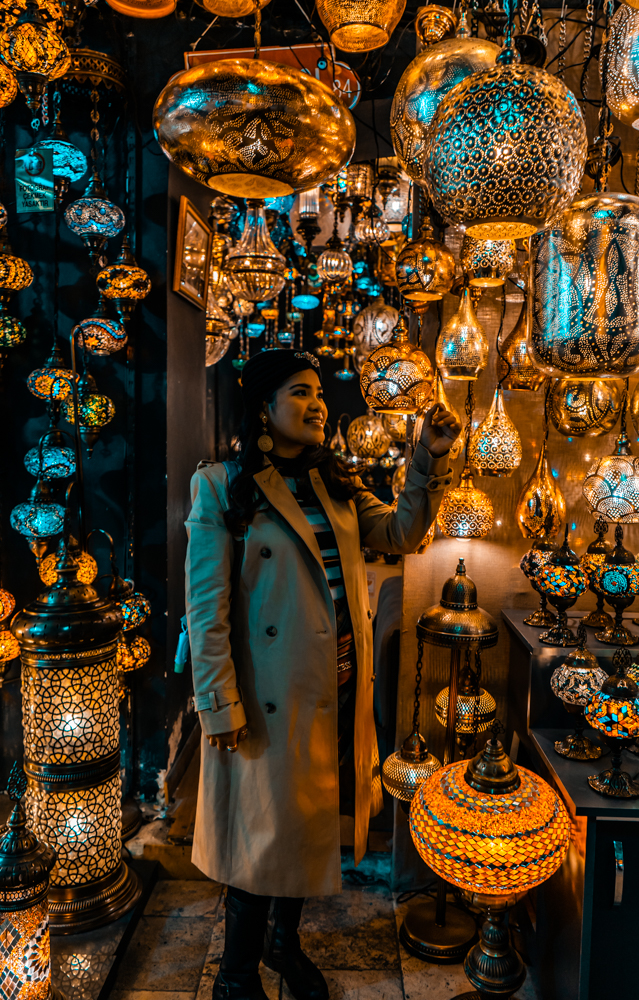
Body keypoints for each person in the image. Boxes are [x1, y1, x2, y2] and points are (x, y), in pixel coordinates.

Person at [185, 349, 460, 1000]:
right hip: (263, 694)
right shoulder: (222, 485)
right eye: (300, 393)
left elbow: (400, 532)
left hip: (332, 688)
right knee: (260, 843)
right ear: (262, 406)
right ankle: (234, 976)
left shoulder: (333, 481)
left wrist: (429, 456)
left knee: (307, 829)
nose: (317, 405)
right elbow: (206, 607)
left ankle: (283, 944)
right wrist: (217, 703)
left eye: (318, 395)